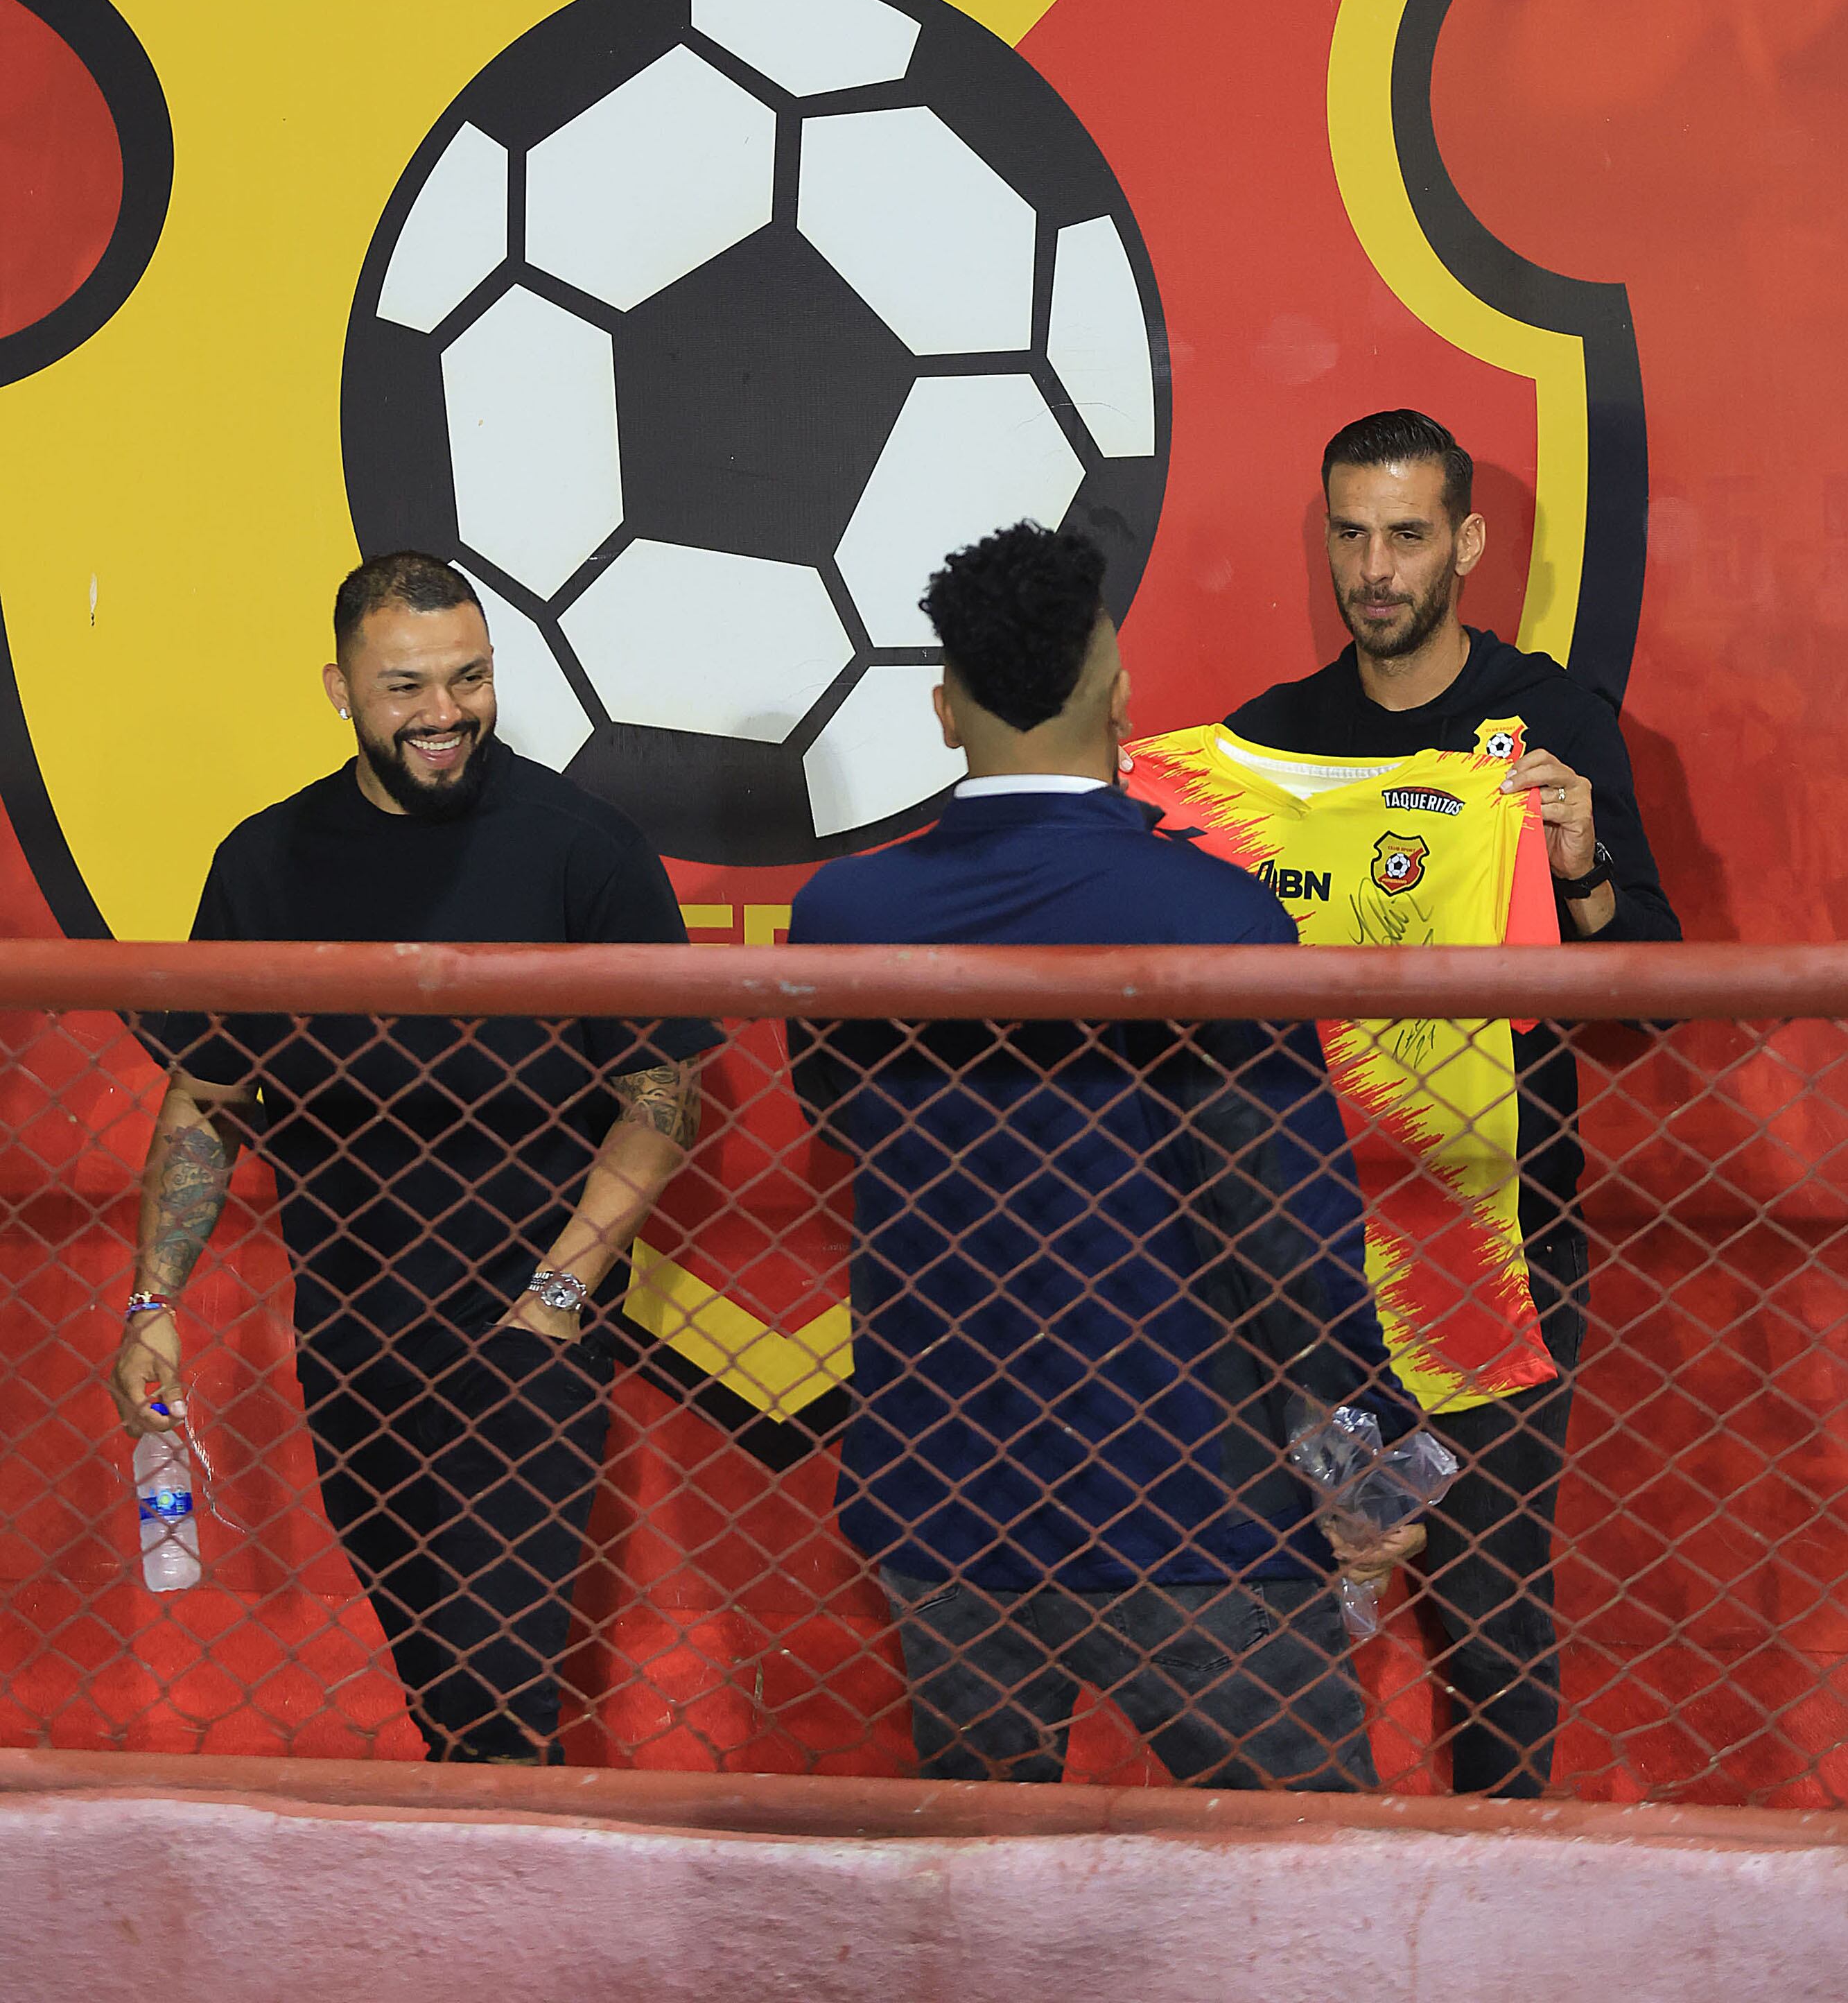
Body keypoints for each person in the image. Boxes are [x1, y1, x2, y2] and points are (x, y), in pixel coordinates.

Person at [790, 519, 1422, 1791]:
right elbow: (1285, 1224)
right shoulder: (1212, 916)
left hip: (945, 1505)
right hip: (1196, 1510)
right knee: (1307, 1871)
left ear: (944, 708)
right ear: (1121, 695)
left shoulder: (844, 915)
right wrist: (1370, 1452)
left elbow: (838, 1121)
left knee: (982, 1895)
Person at [108, 552, 715, 1765]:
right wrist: (152, 1301)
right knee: (442, 1700)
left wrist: (559, 1292)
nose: (445, 714)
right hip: (352, 1334)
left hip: (526, 1340)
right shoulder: (268, 861)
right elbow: (209, 1101)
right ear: (339, 688)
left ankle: (514, 1929)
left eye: (469, 678)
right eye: (406, 688)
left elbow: (662, 1096)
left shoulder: (579, 846)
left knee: (498, 1712)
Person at [1224, 410, 1681, 1796]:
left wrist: (1584, 867)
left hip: (1500, 1238)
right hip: (1298, 1246)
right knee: (1281, 1609)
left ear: (1468, 544)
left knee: (1482, 1609)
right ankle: (1294, 1908)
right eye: (1350, 534)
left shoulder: (1549, 722)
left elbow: (1652, 996)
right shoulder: (1269, 746)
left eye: (1407, 534)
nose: (1376, 568)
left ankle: (1496, 1895)